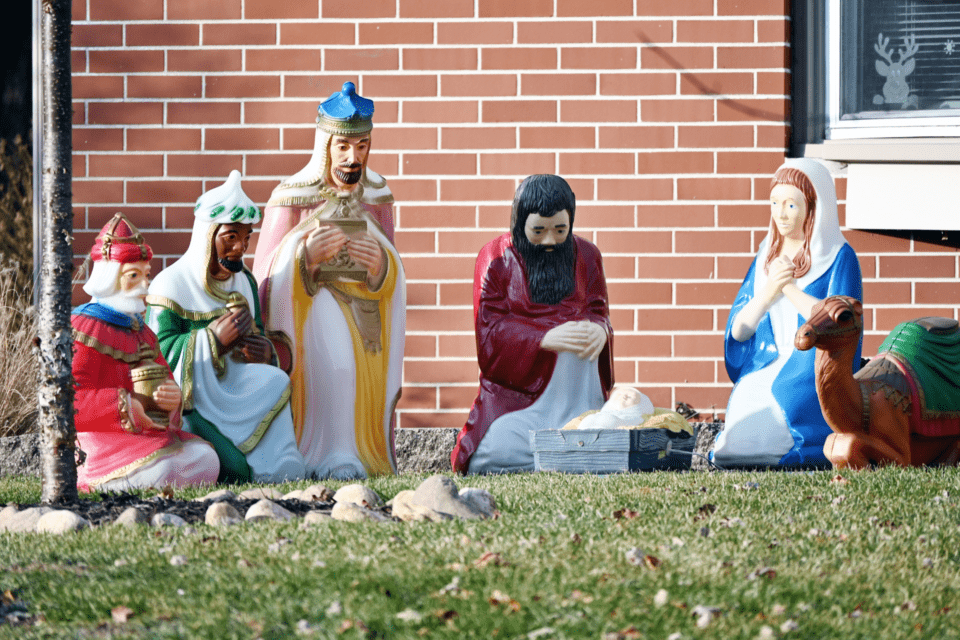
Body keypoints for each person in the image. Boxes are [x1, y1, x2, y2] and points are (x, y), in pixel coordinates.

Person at [252, 82, 404, 480]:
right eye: (343, 147)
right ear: (325, 146)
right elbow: (264, 279)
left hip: (368, 319)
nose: (353, 159)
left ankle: (363, 455)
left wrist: (381, 267)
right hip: (311, 311)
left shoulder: (378, 195)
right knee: (336, 364)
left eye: (362, 147)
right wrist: (304, 259)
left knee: (355, 370)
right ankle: (324, 455)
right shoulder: (293, 196)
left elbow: (392, 268)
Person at [146, 171, 306, 484]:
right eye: (230, 237)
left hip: (235, 383)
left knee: (273, 380)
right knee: (232, 467)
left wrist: (264, 352)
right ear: (208, 235)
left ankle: (279, 458)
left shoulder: (244, 281)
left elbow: (257, 332)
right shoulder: (171, 284)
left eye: (246, 238)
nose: (239, 248)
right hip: (193, 397)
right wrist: (212, 341)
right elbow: (158, 353)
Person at [451, 174, 615, 474]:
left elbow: (597, 309)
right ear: (519, 220)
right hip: (521, 399)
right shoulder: (496, 258)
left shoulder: (588, 255)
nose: (550, 241)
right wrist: (544, 338)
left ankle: (575, 443)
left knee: (593, 431)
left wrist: (598, 330)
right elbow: (489, 333)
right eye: (538, 231)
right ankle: (564, 453)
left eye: (560, 230)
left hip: (578, 394)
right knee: (493, 450)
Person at [713, 158, 863, 467]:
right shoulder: (766, 255)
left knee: (784, 412)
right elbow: (739, 332)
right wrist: (767, 294)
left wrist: (789, 288)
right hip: (764, 361)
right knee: (745, 408)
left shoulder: (839, 258)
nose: (781, 213)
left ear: (814, 208)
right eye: (775, 203)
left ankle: (804, 448)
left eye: (791, 205)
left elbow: (840, 321)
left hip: (811, 366)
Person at [72, 213, 220, 491]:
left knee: (206, 459)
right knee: (163, 469)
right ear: (109, 278)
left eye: (146, 275)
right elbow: (71, 400)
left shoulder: (142, 332)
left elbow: (163, 380)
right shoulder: (82, 329)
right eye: (133, 276)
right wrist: (128, 406)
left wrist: (171, 399)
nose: (145, 285)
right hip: (101, 438)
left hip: (148, 435)